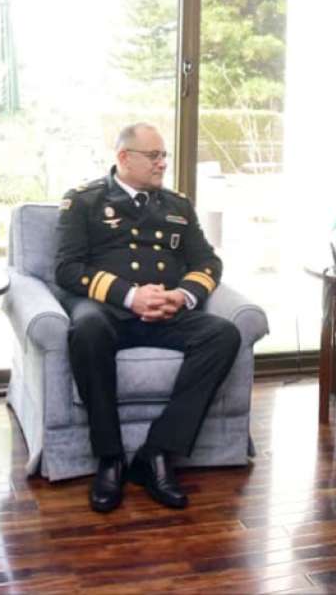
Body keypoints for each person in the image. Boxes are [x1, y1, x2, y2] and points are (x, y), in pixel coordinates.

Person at [56, 123, 241, 513]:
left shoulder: (177, 206)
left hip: (165, 311)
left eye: (163, 156)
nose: (162, 164)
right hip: (109, 311)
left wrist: (182, 295)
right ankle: (110, 458)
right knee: (86, 329)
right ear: (124, 158)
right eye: (153, 156)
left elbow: (208, 262)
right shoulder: (84, 201)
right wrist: (130, 295)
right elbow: (67, 270)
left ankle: (156, 452)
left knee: (223, 334)